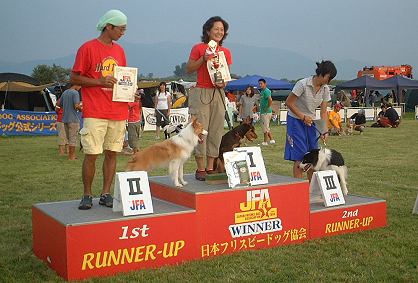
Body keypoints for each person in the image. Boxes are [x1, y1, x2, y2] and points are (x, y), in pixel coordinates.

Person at [70, 9, 128, 210]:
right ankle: (87, 194)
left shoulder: (120, 51)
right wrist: (99, 81)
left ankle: (106, 193)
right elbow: (74, 78)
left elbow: (122, 79)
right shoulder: (87, 48)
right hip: (95, 110)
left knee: (112, 153)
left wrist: (130, 92)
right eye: (120, 28)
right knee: (92, 154)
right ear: (109, 26)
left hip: (118, 110)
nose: (123, 32)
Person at [186, 16, 232, 181]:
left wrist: (223, 83)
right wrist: (203, 59)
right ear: (208, 31)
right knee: (200, 130)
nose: (219, 32)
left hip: (218, 93)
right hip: (201, 92)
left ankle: (210, 166)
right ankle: (200, 168)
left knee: (216, 130)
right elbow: (189, 69)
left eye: (222, 29)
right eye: (216, 29)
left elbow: (227, 75)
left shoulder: (225, 52)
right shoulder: (199, 48)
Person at [284, 60, 337, 179]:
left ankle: (311, 188)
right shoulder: (302, 84)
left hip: (310, 121)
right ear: (323, 73)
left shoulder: (325, 89)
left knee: (314, 156)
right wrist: (302, 116)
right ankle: (298, 189)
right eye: (330, 77)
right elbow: (289, 102)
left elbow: (323, 111)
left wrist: (324, 130)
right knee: (300, 156)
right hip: (296, 120)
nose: (330, 80)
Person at [57, 84, 82, 159]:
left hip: (64, 119)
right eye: (80, 86)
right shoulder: (75, 93)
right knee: (73, 138)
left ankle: (70, 155)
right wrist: (82, 109)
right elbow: (76, 105)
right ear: (76, 85)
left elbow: (59, 104)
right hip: (73, 119)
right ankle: (72, 156)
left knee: (68, 138)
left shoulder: (64, 93)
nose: (80, 88)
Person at [258, 78, 275, 145]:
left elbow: (270, 100)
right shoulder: (262, 91)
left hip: (266, 112)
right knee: (266, 127)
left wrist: (267, 107)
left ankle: (265, 142)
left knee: (265, 127)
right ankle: (271, 140)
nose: (260, 85)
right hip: (263, 111)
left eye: (261, 83)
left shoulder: (266, 91)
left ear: (265, 84)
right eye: (259, 84)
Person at [127, 88, 143, 153]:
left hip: (132, 121)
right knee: (136, 137)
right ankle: (137, 150)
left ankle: (135, 152)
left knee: (132, 137)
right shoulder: (139, 102)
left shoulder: (134, 103)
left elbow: (127, 106)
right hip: (137, 120)